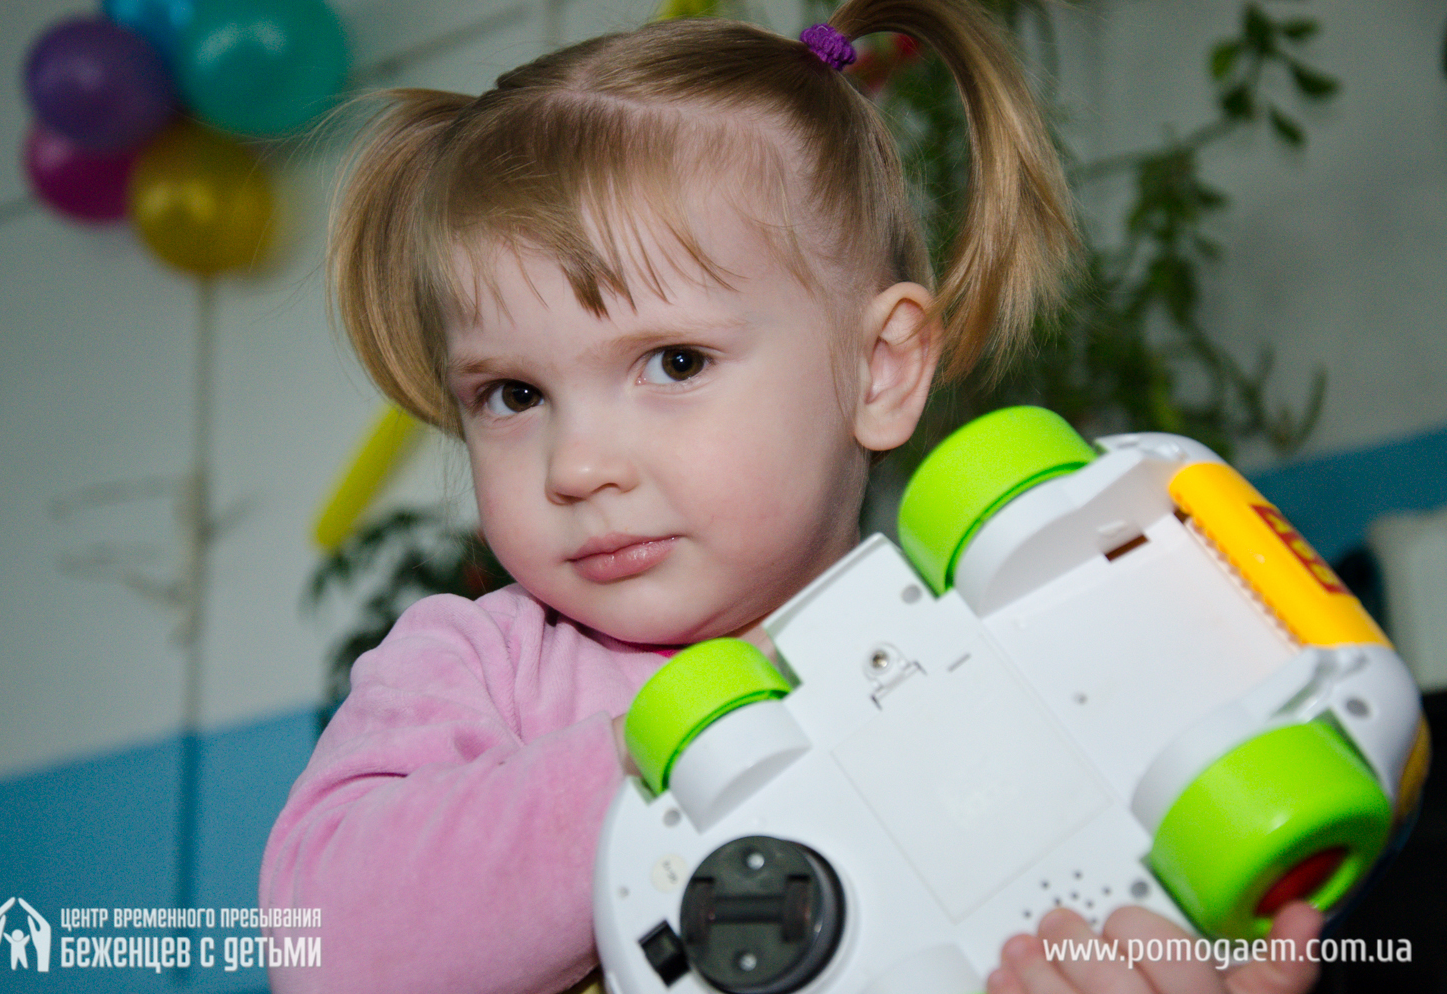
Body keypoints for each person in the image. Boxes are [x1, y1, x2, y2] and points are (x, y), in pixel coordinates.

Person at [260, 2, 1323, 992]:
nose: (575, 466)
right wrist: (690, 748)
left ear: (879, 370)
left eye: (674, 362)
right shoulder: (481, 666)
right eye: (514, 394)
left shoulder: (982, 665)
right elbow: (324, 944)